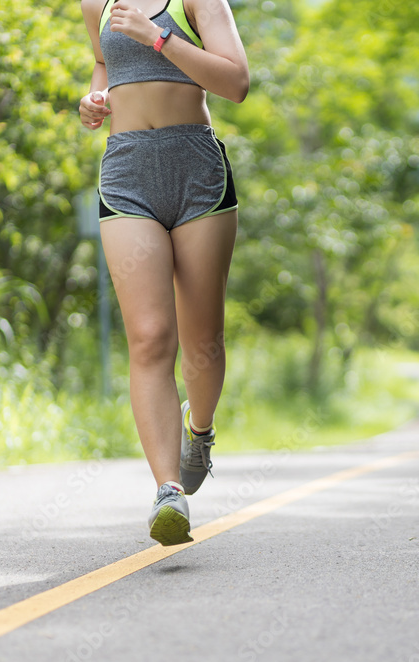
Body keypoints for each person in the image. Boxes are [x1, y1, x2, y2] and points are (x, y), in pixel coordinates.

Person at [78, 0, 249, 546]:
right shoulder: (96, 4)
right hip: (127, 169)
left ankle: (198, 430)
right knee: (150, 338)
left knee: (204, 339)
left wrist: (158, 38)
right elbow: (105, 65)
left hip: (196, 167)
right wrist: (94, 97)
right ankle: (167, 491)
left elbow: (236, 82)